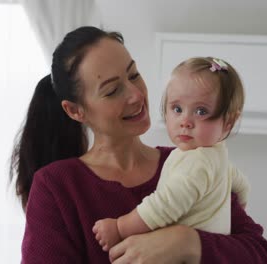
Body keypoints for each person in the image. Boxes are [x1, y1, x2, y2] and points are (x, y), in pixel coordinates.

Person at [10, 26, 267, 263]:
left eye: (134, 74)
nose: (136, 95)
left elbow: (264, 255)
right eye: (113, 90)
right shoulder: (57, 187)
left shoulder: (193, 161)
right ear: (75, 110)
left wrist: (187, 243)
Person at [92, 57, 251, 251]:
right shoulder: (216, 157)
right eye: (177, 108)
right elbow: (241, 184)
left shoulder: (198, 162)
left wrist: (119, 227)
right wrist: (240, 205)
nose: (185, 121)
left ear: (228, 122)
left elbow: (164, 206)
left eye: (201, 111)